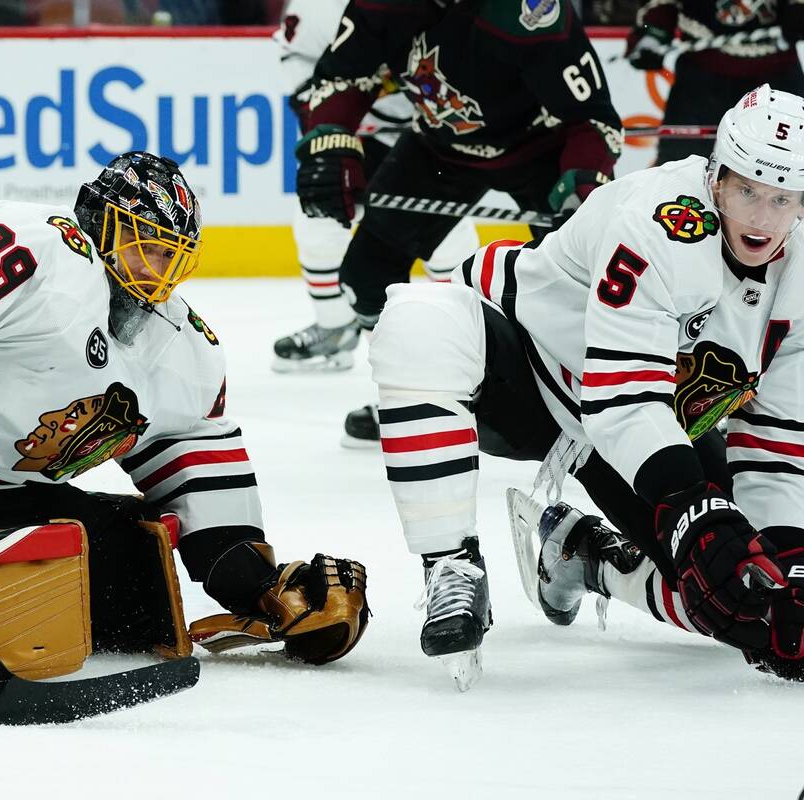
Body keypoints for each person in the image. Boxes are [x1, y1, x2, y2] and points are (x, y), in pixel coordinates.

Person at [0, 151, 370, 665]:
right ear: (98, 223)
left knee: (135, 576)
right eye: (144, 245)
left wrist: (254, 583)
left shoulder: (184, 346)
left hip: (8, 495)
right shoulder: (34, 247)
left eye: (169, 255)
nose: (156, 269)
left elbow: (195, 460)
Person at [368, 85, 804, 689]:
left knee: (733, 596)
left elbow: (778, 435)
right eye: (747, 190)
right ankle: (451, 566)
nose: (761, 215)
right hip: (523, 365)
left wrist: (787, 558)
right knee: (419, 320)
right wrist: (696, 512)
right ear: (717, 176)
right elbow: (622, 394)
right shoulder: (662, 220)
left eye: (781, 198)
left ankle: (582, 557)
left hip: (634, 425)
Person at [294, 0, 623, 445]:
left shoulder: (526, 10)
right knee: (364, 278)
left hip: (541, 149)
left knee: (582, 287)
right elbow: (344, 75)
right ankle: (414, 393)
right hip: (438, 151)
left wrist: (584, 178)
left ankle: (606, 398)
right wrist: (329, 141)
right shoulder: (378, 6)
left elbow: (591, 117)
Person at [271, 0, 478, 374]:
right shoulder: (315, 9)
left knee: (448, 230)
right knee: (317, 214)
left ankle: (469, 334)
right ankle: (335, 327)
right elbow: (303, 82)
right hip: (355, 137)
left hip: (427, 136)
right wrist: (334, 141)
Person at [625, 0, 804, 164]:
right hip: (700, 80)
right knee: (682, 165)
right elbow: (661, 7)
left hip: (776, 78)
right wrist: (652, 32)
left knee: (789, 161)